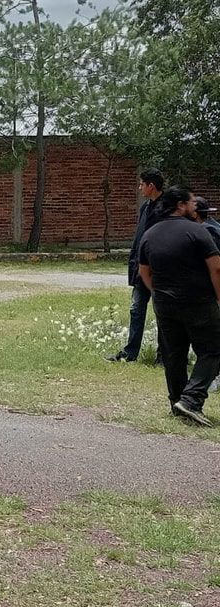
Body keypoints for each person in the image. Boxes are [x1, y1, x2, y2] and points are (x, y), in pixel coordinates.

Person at [137, 186, 220, 427]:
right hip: (197, 301)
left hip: (164, 303)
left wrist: (159, 294)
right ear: (181, 205)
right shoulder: (197, 231)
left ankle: (177, 402)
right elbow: (216, 268)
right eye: (193, 203)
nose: (196, 207)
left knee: (174, 355)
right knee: (213, 349)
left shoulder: (150, 234)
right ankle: (191, 400)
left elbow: (144, 271)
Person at [107, 168, 164, 363]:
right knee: (136, 309)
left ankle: (163, 356)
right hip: (141, 268)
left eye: (142, 184)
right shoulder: (145, 207)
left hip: (158, 271)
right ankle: (130, 352)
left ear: (151, 186)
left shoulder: (166, 209)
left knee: (162, 312)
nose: (139, 188)